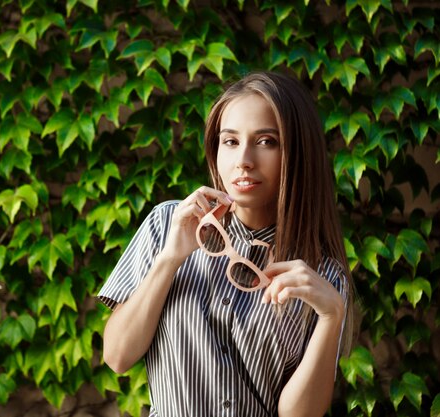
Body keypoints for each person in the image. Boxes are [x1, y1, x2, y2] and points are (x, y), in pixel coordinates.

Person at [98, 71, 355, 417]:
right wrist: (171, 258)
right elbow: (117, 356)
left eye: (267, 141)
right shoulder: (167, 225)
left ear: (298, 154)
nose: (244, 160)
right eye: (230, 141)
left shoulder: (321, 276)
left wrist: (331, 315)